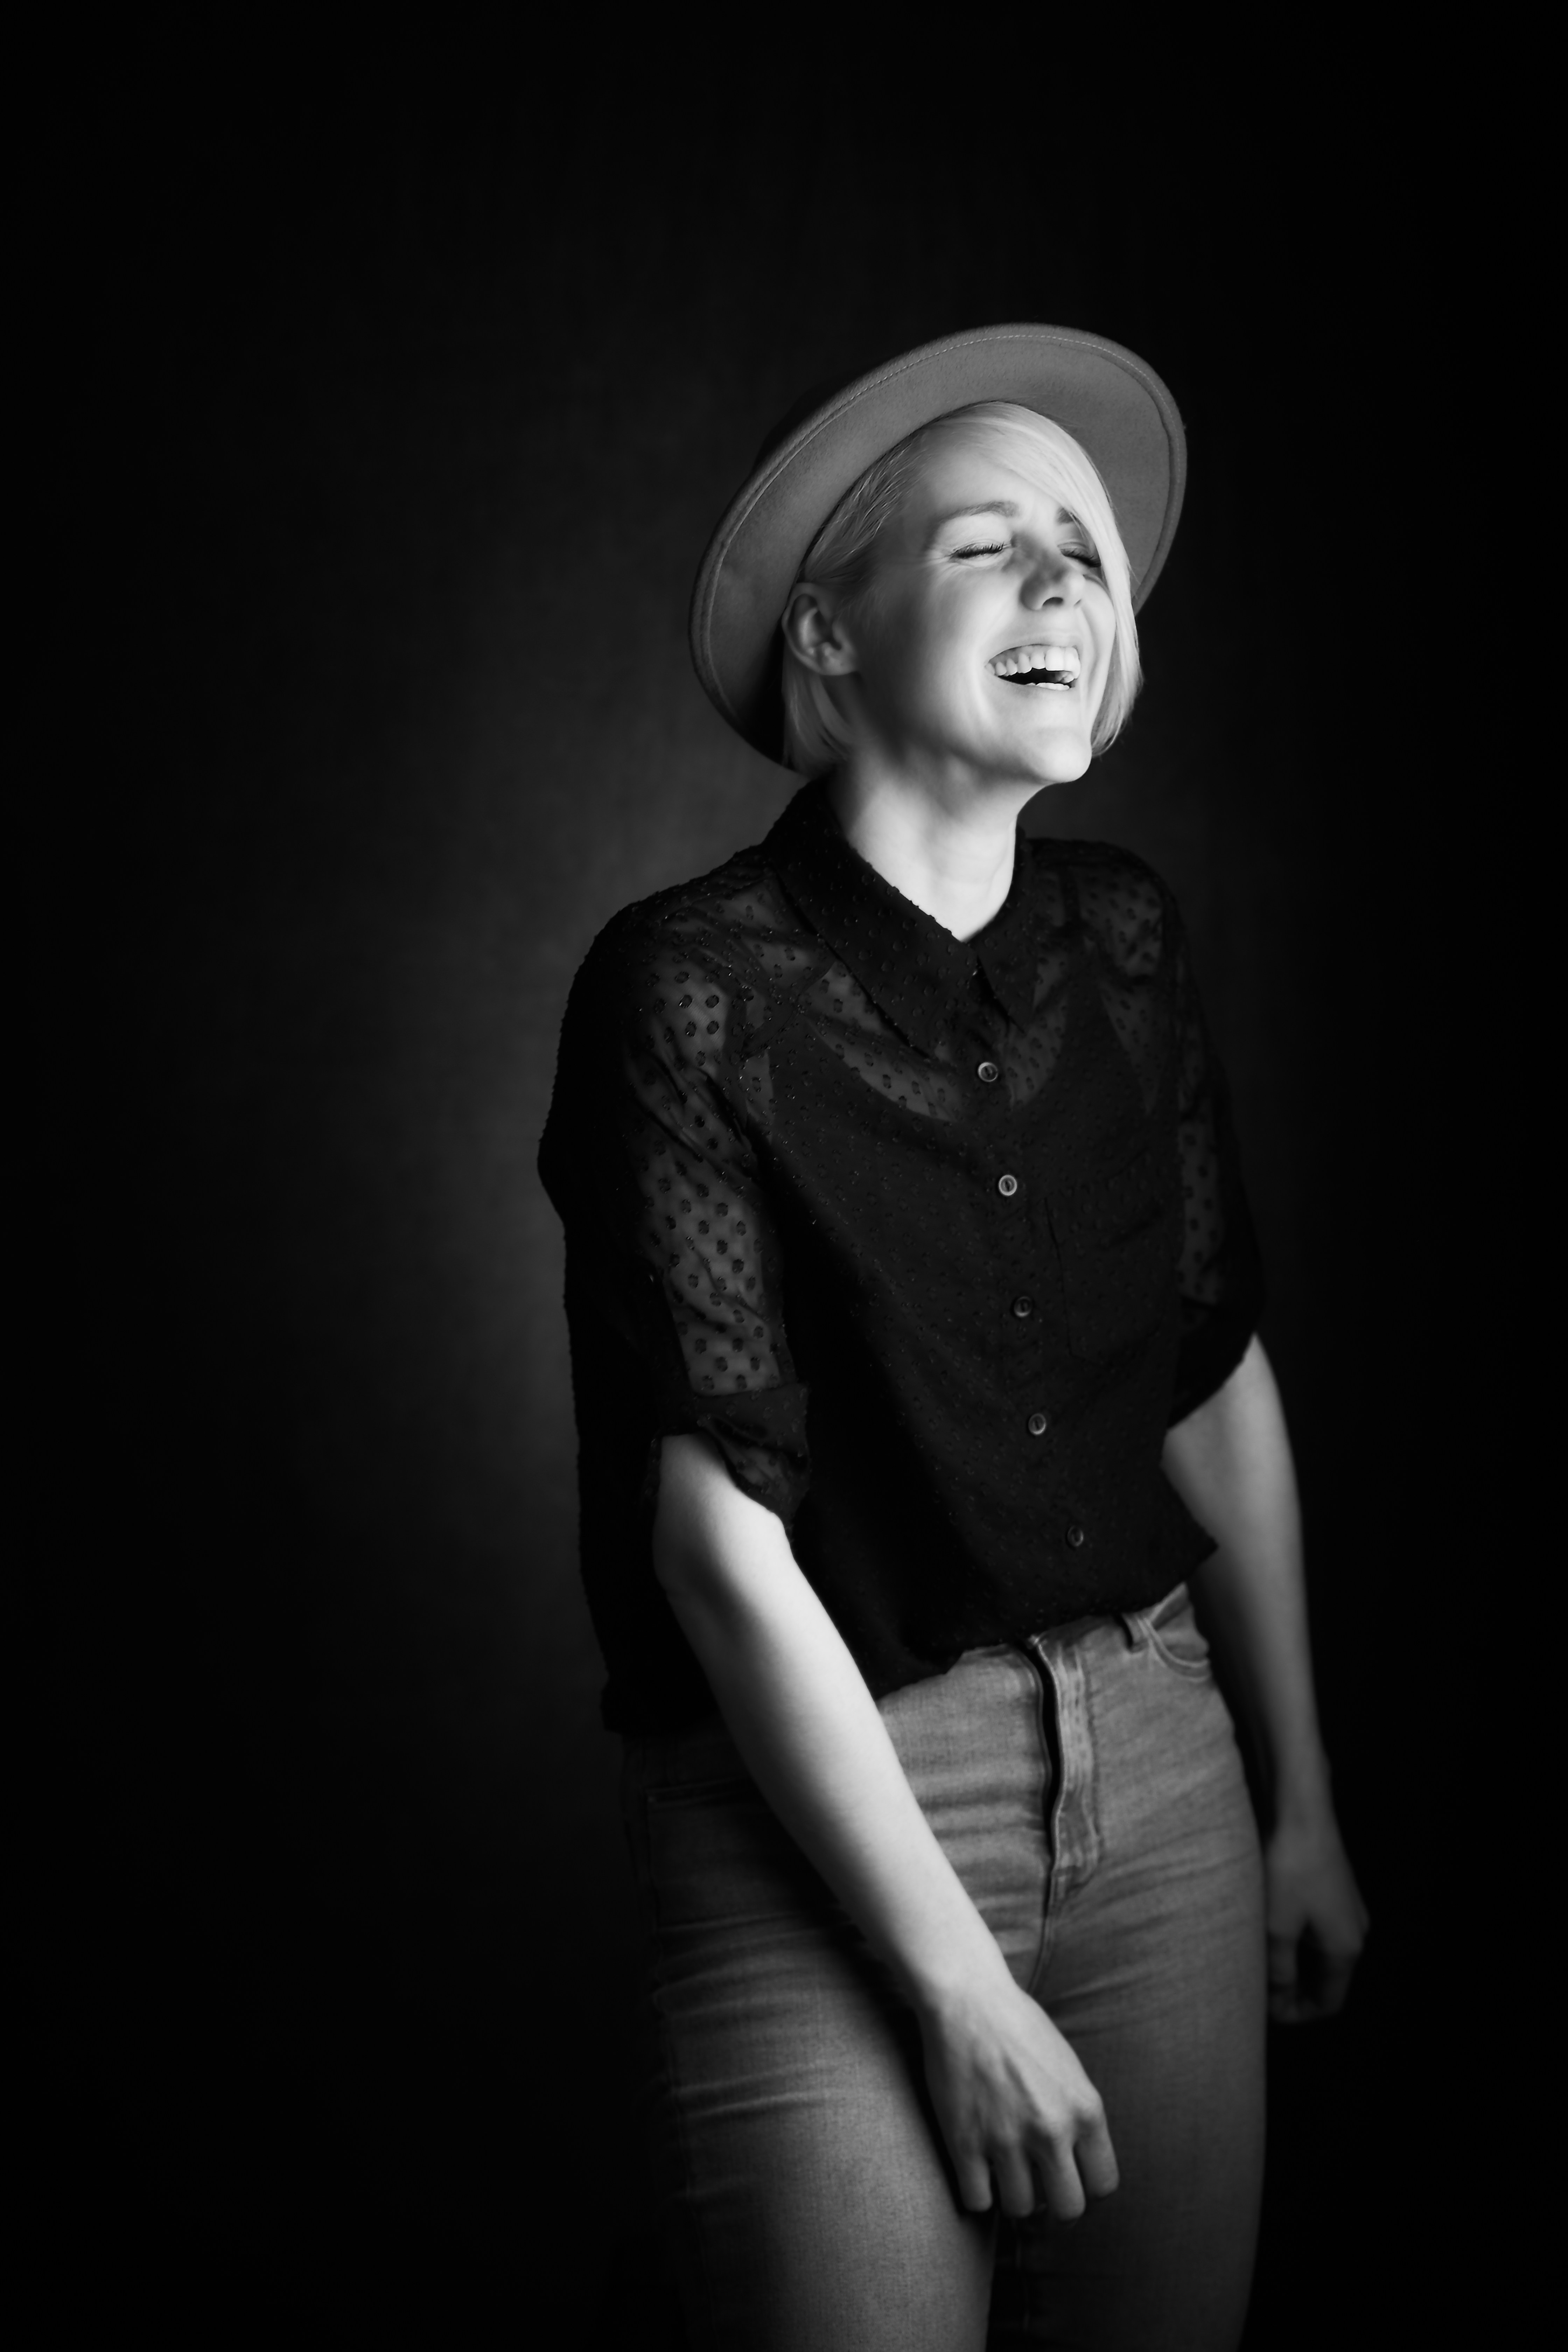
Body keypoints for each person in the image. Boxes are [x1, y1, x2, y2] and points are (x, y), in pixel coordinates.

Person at [538, 324, 1368, 2351]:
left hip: (1165, 1773)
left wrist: (1302, 1804)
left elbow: (1208, 1381)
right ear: (829, 635)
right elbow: (714, 1543)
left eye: (1084, 552)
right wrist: (955, 1983)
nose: (1065, 581)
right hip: (822, 1820)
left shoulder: (1126, 940)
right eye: (991, 545)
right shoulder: (687, 989)